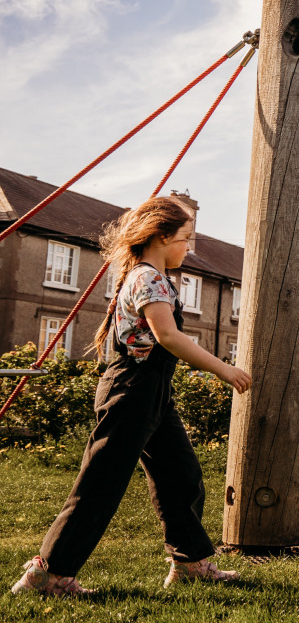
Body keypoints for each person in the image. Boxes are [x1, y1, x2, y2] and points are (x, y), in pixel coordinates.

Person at [11, 197, 252, 597]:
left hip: (151, 391)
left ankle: (189, 562)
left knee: (181, 474)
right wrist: (224, 369)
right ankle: (47, 575)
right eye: (184, 239)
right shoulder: (148, 278)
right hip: (132, 390)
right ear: (160, 236)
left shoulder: (155, 278)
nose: (188, 248)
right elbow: (168, 336)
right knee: (101, 482)